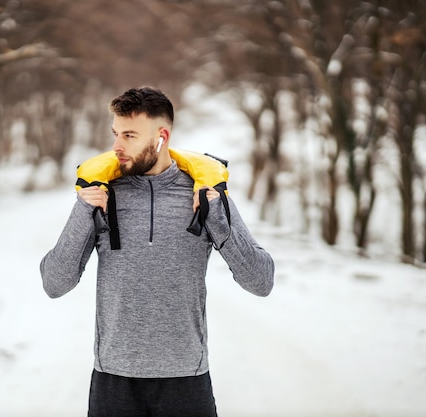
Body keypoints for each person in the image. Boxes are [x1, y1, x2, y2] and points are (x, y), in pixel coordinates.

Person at [40, 86, 274, 417]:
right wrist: (83, 213)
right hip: (113, 383)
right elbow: (54, 283)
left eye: (130, 135)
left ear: (162, 136)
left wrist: (218, 219)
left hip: (186, 382)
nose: (116, 147)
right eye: (116, 134)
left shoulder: (205, 195)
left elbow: (261, 282)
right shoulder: (101, 195)